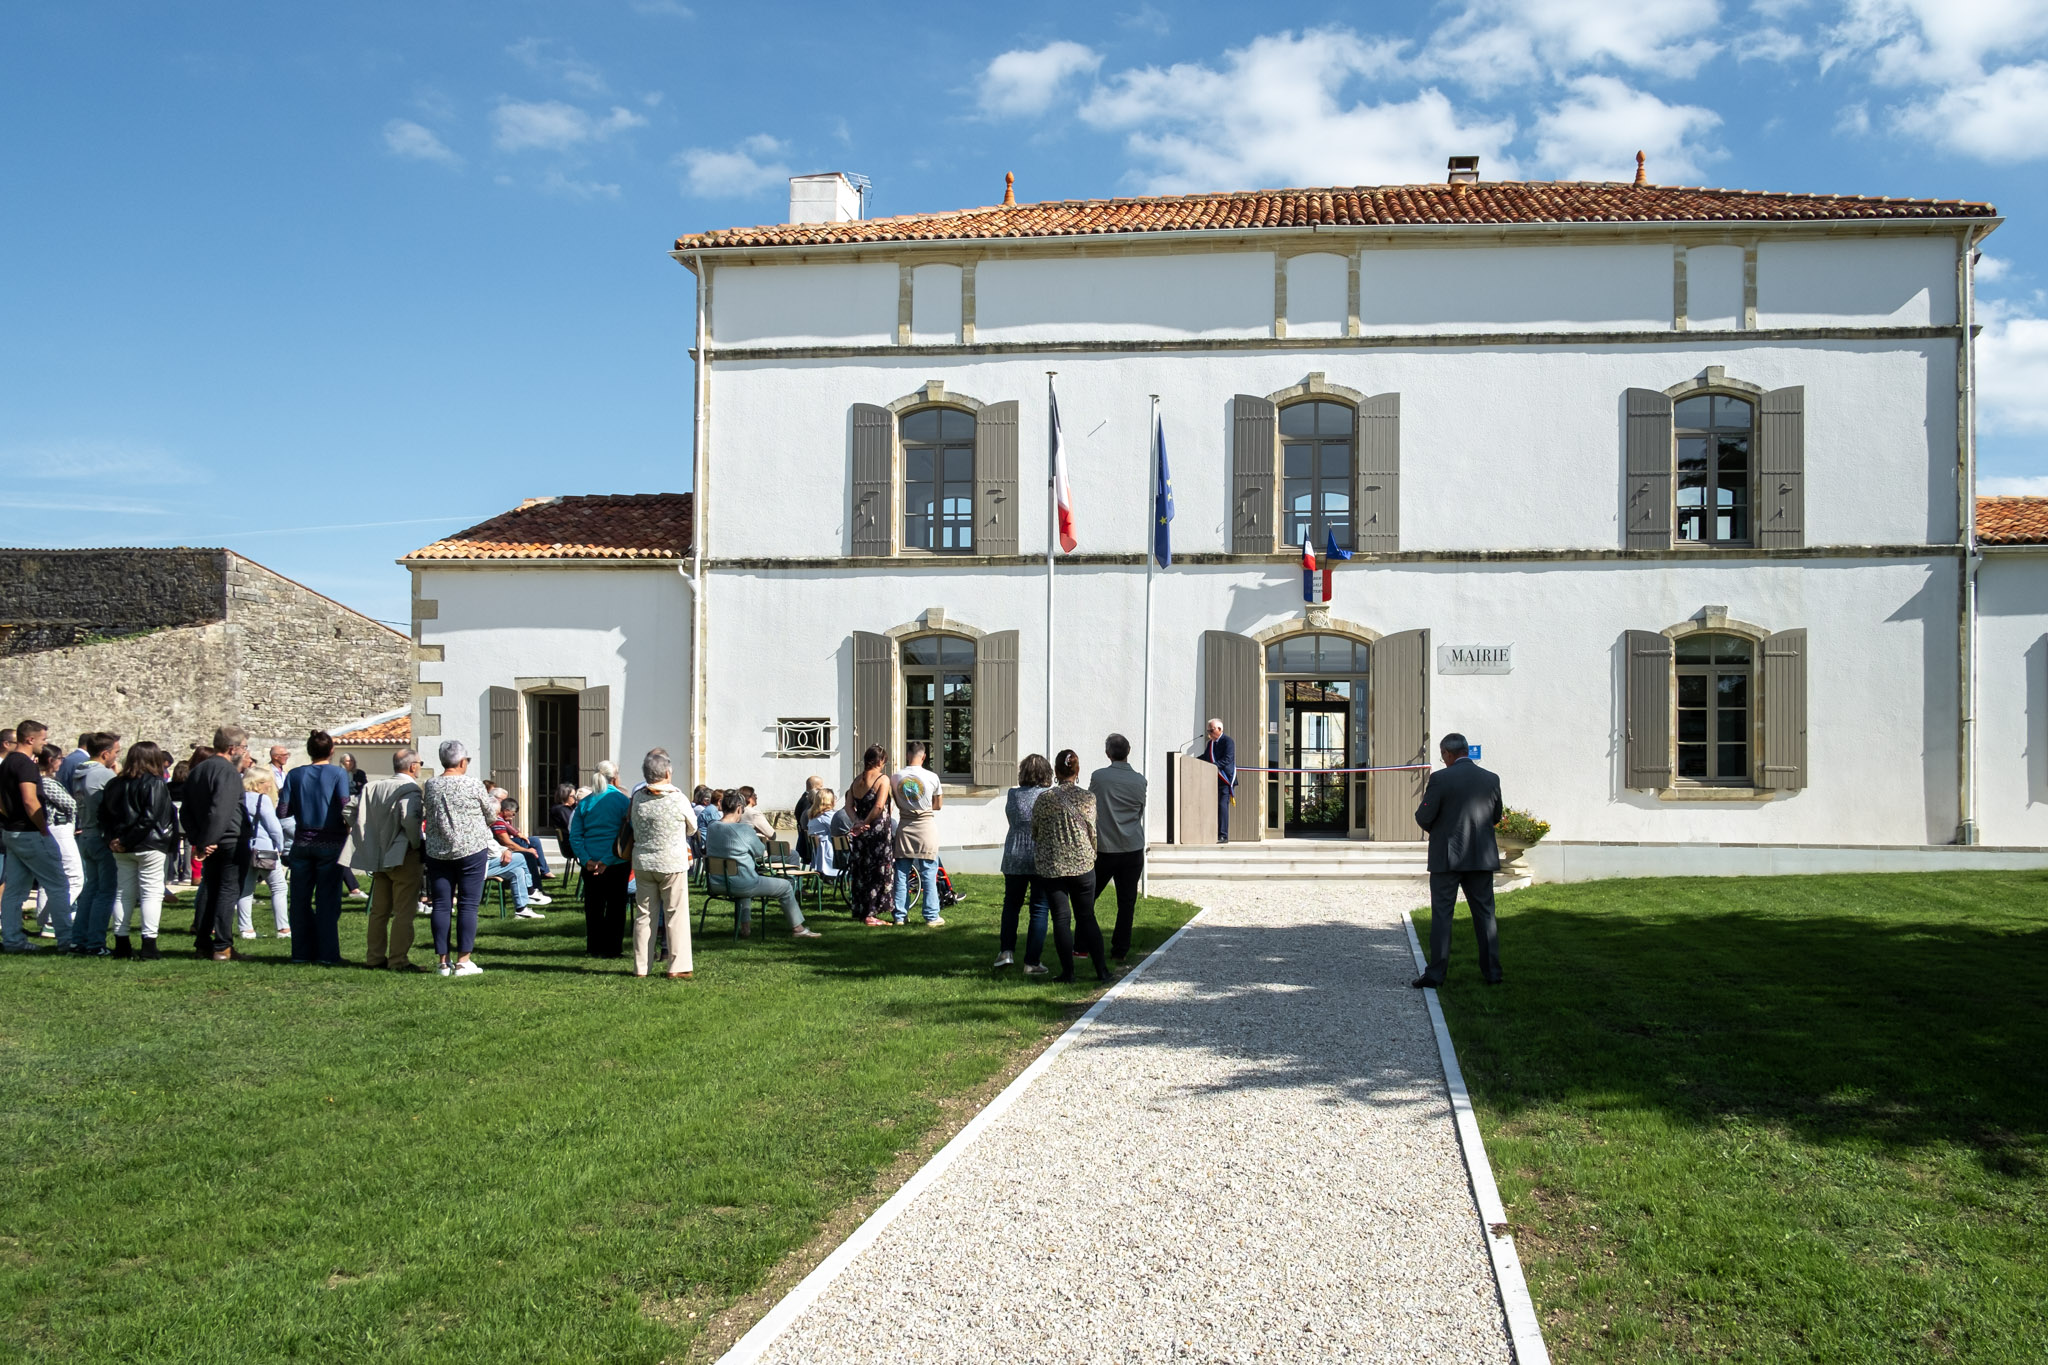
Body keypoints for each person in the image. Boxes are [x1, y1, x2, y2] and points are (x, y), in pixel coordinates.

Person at [1412, 732, 1505, 989]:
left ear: (1447, 754)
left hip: (1447, 857)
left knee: (1442, 915)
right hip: (1481, 857)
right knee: (1486, 916)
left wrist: (1439, 829)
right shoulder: (1491, 778)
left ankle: (1436, 975)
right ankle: (1493, 973)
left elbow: (1424, 816)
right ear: (1466, 751)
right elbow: (1496, 815)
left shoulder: (1440, 778)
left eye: (1443, 756)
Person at [1032, 748, 1110, 983]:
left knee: (1061, 918)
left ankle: (1068, 973)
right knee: (1086, 916)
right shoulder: (1088, 798)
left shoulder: (1044, 799)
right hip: (1083, 864)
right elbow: (1092, 832)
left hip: (1053, 865)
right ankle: (1102, 971)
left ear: (1056, 771)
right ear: (1077, 771)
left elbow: (1035, 831)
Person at [277, 730, 353, 965]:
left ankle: (300, 953)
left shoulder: (294, 775)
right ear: (331, 751)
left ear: (309, 750)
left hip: (301, 843)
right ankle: (328, 955)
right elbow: (344, 805)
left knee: (299, 900)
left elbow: (283, 811)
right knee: (327, 901)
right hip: (331, 843)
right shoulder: (338, 773)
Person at [422, 740, 496, 977]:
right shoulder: (473, 784)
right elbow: (490, 814)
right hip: (471, 850)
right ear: (462, 762)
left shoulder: (431, 784)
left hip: (438, 850)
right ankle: (464, 961)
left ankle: (443, 963)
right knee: (468, 905)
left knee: (441, 905)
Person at [703, 789, 820, 939]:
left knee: (743, 886)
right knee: (784, 887)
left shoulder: (712, 827)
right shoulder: (744, 829)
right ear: (739, 808)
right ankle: (798, 929)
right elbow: (759, 853)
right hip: (742, 883)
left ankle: (745, 928)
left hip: (717, 883)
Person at [101, 742, 176, 959]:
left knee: (123, 893)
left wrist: (113, 839)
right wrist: (125, 840)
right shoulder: (155, 783)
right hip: (148, 844)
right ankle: (149, 944)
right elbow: (150, 817)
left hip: (121, 844)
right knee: (151, 893)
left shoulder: (115, 783)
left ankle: (122, 942)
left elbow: (103, 815)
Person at [182, 726, 251, 961]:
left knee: (211, 890)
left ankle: (203, 941)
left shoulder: (198, 770)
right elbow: (221, 809)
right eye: (243, 747)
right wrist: (208, 840)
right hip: (228, 838)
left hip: (208, 838)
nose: (244, 752)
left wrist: (200, 840)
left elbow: (186, 811)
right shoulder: (229, 772)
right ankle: (222, 946)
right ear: (232, 749)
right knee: (227, 891)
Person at [353, 747, 425, 970]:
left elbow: (349, 810)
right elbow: (410, 819)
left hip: (378, 852)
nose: (420, 767)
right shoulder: (410, 789)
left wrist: (368, 835)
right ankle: (398, 960)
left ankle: (374, 957)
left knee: (379, 911)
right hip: (403, 854)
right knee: (404, 911)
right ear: (413, 766)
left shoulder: (372, 786)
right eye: (420, 763)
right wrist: (416, 843)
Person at [2, 720, 71, 952]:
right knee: (58, 884)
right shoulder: (25, 765)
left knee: (14, 889)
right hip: (30, 832)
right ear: (30, 739)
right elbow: (30, 800)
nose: (45, 743)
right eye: (43, 739)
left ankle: (12, 940)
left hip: (11, 830)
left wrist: (8, 817)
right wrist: (42, 828)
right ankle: (66, 939)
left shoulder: (7, 762)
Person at [629, 747, 698, 977]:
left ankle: (641, 968)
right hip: (671, 863)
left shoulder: (638, 798)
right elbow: (693, 827)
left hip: (643, 862)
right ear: (667, 773)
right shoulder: (677, 798)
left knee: (644, 915)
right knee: (675, 914)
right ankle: (677, 967)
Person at [1089, 733, 1148, 963]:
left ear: (1108, 753)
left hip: (1105, 848)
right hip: (1132, 846)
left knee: (1088, 898)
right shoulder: (1140, 780)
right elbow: (1139, 811)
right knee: (1127, 902)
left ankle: (1083, 944)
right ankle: (1120, 949)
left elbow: (1091, 804)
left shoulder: (1099, 777)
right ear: (1128, 751)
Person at [996, 753, 1054, 973]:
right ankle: (1032, 962)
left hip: (1014, 853)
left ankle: (1006, 952)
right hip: (1040, 854)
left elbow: (1012, 819)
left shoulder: (1013, 794)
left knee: (1011, 904)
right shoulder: (1049, 795)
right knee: (1039, 908)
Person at [66, 731, 122, 955]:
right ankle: (95, 943)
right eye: (116, 753)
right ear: (105, 753)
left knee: (90, 890)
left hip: (86, 833)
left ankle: (78, 940)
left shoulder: (81, 773)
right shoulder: (101, 774)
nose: (117, 757)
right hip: (100, 835)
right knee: (105, 891)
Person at [569, 760, 632, 957]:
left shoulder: (585, 802)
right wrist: (607, 859)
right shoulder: (622, 801)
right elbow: (625, 834)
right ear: (615, 777)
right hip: (616, 861)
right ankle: (613, 948)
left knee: (594, 906)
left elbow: (575, 835)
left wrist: (586, 859)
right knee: (616, 906)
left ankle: (594, 947)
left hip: (590, 861)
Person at [890, 741, 945, 927]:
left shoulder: (896, 777)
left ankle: (900, 915)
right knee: (929, 871)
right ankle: (931, 916)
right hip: (926, 826)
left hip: (905, 825)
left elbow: (896, 802)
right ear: (924, 756)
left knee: (902, 873)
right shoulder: (932, 777)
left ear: (907, 755)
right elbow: (938, 805)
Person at [32, 743, 84, 938]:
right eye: (60, 758)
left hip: (55, 828)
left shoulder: (44, 781)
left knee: (51, 877)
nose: (62, 762)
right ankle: (54, 918)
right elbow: (71, 804)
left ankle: (45, 919)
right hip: (59, 828)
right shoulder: (46, 782)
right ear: (51, 761)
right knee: (75, 877)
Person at [235, 765, 289, 940]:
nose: (270, 785)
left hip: (244, 848)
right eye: (267, 782)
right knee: (279, 887)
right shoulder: (262, 800)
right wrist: (279, 846)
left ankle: (246, 929)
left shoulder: (239, 798)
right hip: (264, 848)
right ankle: (283, 929)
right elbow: (274, 827)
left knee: (245, 889)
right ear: (259, 783)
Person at [843, 750, 893, 925]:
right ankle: (871, 915)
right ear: (880, 761)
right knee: (877, 871)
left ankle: (861, 910)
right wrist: (866, 821)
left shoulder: (856, 781)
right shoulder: (883, 779)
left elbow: (848, 806)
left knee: (861, 871)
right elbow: (879, 806)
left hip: (860, 833)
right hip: (877, 831)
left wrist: (857, 821)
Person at [484, 796, 547, 921]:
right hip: (483, 865)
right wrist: (506, 851)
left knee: (517, 871)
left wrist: (506, 850)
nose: (497, 816)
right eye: (496, 813)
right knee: (522, 856)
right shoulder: (483, 826)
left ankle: (521, 910)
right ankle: (530, 890)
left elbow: (495, 845)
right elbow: (491, 849)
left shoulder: (489, 824)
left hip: (492, 860)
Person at [493, 796, 553, 893]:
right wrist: (526, 850)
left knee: (534, 841)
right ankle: (535, 888)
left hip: (506, 847)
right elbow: (506, 843)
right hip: (502, 851)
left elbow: (509, 829)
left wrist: (518, 834)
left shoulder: (502, 820)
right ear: (506, 811)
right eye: (513, 814)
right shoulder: (497, 821)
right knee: (529, 855)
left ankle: (543, 872)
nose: (514, 816)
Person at [1204, 718, 1236, 843]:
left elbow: (1227, 759)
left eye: (1211, 730)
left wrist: (1214, 766)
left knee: (1222, 806)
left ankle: (1223, 835)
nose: (1209, 733)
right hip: (1212, 779)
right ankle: (1211, 833)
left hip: (1224, 779)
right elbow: (1206, 757)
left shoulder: (1228, 741)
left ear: (1219, 729)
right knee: (1211, 807)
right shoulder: (1210, 744)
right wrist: (1192, 760)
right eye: (1208, 730)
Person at [806, 789, 838, 877]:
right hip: (829, 850)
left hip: (818, 851)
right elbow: (838, 830)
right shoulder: (827, 815)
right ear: (829, 801)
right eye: (834, 798)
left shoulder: (813, 815)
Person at [793, 774, 823, 867]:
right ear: (815, 788)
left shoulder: (803, 799)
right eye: (821, 787)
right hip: (808, 844)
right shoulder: (808, 802)